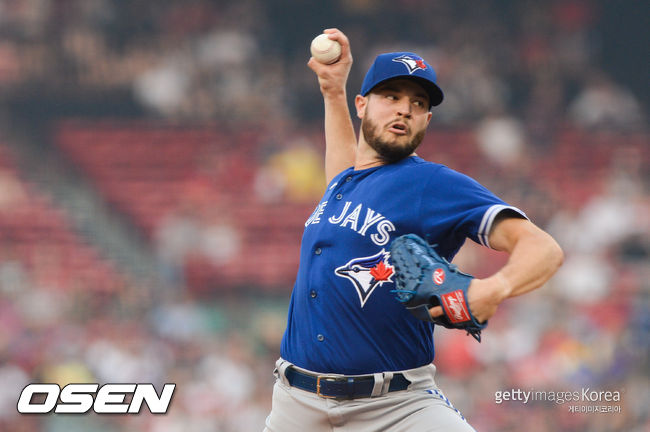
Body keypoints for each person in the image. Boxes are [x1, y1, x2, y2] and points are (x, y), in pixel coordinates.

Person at [264, 29, 564, 432]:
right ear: (362, 104)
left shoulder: (433, 185)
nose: (404, 109)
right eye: (391, 97)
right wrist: (332, 91)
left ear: (427, 119)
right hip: (295, 407)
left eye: (417, 103)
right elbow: (344, 168)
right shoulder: (345, 183)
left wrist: (494, 288)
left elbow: (543, 248)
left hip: (397, 409)